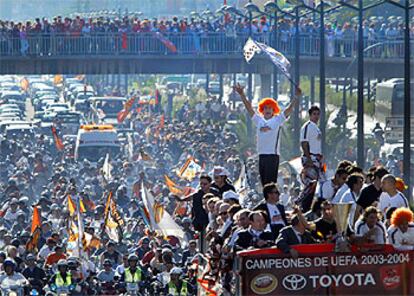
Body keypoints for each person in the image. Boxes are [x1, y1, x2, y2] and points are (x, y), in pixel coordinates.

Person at [233, 83, 299, 185]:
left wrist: (296, 97)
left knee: (270, 182)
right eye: (265, 108)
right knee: (263, 183)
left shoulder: (277, 120)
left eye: (270, 108)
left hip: (272, 156)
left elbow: (288, 110)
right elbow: (249, 108)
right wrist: (242, 95)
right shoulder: (259, 121)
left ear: (274, 110)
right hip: (262, 155)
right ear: (262, 110)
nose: (267, 110)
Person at [299, 105, 326, 212]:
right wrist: (309, 158)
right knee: (310, 185)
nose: (316, 116)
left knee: (317, 185)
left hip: (317, 159)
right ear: (310, 115)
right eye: (314, 114)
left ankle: (311, 207)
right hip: (310, 158)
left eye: (318, 114)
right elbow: (304, 142)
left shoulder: (316, 128)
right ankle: (303, 206)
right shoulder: (307, 126)